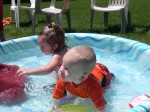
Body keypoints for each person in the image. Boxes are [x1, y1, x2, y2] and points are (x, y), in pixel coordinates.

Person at [50, 45, 114, 112]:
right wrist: (56, 108)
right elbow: (56, 98)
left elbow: (101, 108)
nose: (61, 69)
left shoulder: (93, 87)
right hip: (88, 69)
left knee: (102, 96)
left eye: (67, 69)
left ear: (82, 77)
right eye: (62, 64)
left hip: (103, 74)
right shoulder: (64, 78)